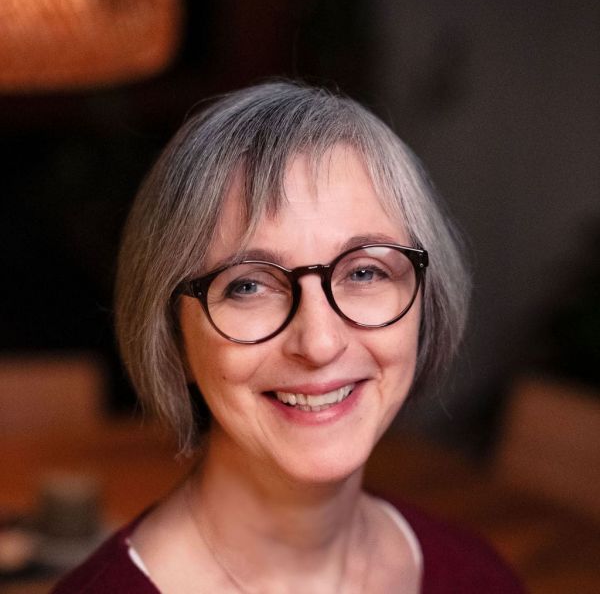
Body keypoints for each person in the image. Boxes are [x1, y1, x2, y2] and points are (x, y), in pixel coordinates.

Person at [52, 81, 522, 593]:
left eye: (364, 272)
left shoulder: (479, 576)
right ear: (173, 337)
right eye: (249, 285)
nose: (319, 344)